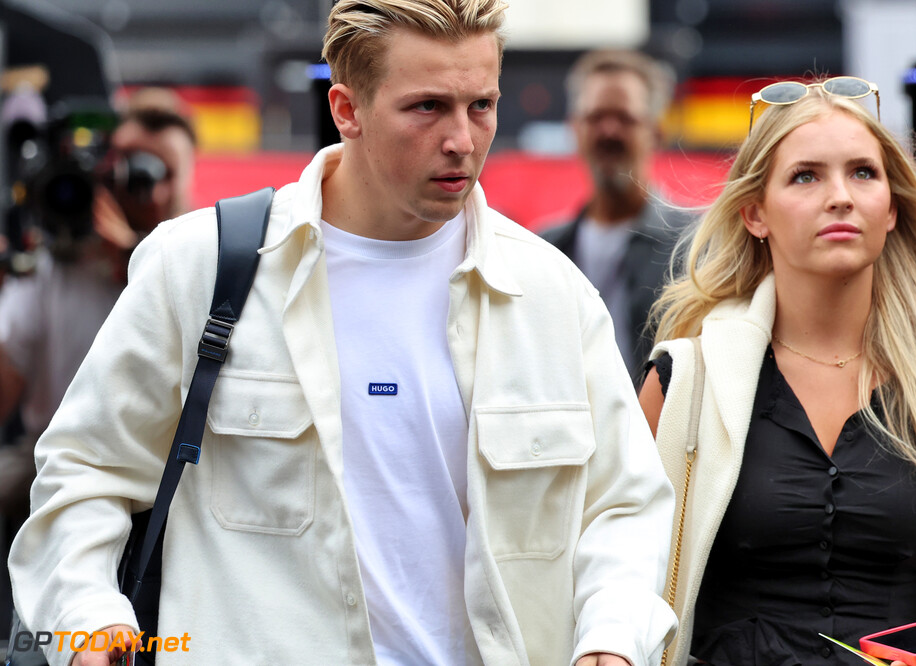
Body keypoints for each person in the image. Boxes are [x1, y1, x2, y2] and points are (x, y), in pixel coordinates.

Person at [8, 1, 677, 665]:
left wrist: (612, 641)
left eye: (481, 105)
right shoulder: (199, 266)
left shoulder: (552, 295)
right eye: (427, 107)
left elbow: (623, 505)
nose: (462, 139)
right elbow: (84, 472)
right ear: (346, 110)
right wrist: (87, 624)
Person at [637, 79, 916, 666]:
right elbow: (622, 561)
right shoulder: (686, 378)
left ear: (892, 208)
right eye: (805, 176)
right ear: (755, 212)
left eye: (863, 173)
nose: (840, 197)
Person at [0, 102, 196, 535]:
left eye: (162, 174)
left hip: (176, 465)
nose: (150, 191)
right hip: (61, 455)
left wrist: (133, 257)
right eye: (131, 170)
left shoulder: (208, 267)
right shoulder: (55, 267)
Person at [541, 49, 686, 382]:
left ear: (656, 132)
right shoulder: (544, 250)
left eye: (624, 118)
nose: (609, 131)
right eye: (596, 117)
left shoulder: (697, 246)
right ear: (574, 129)